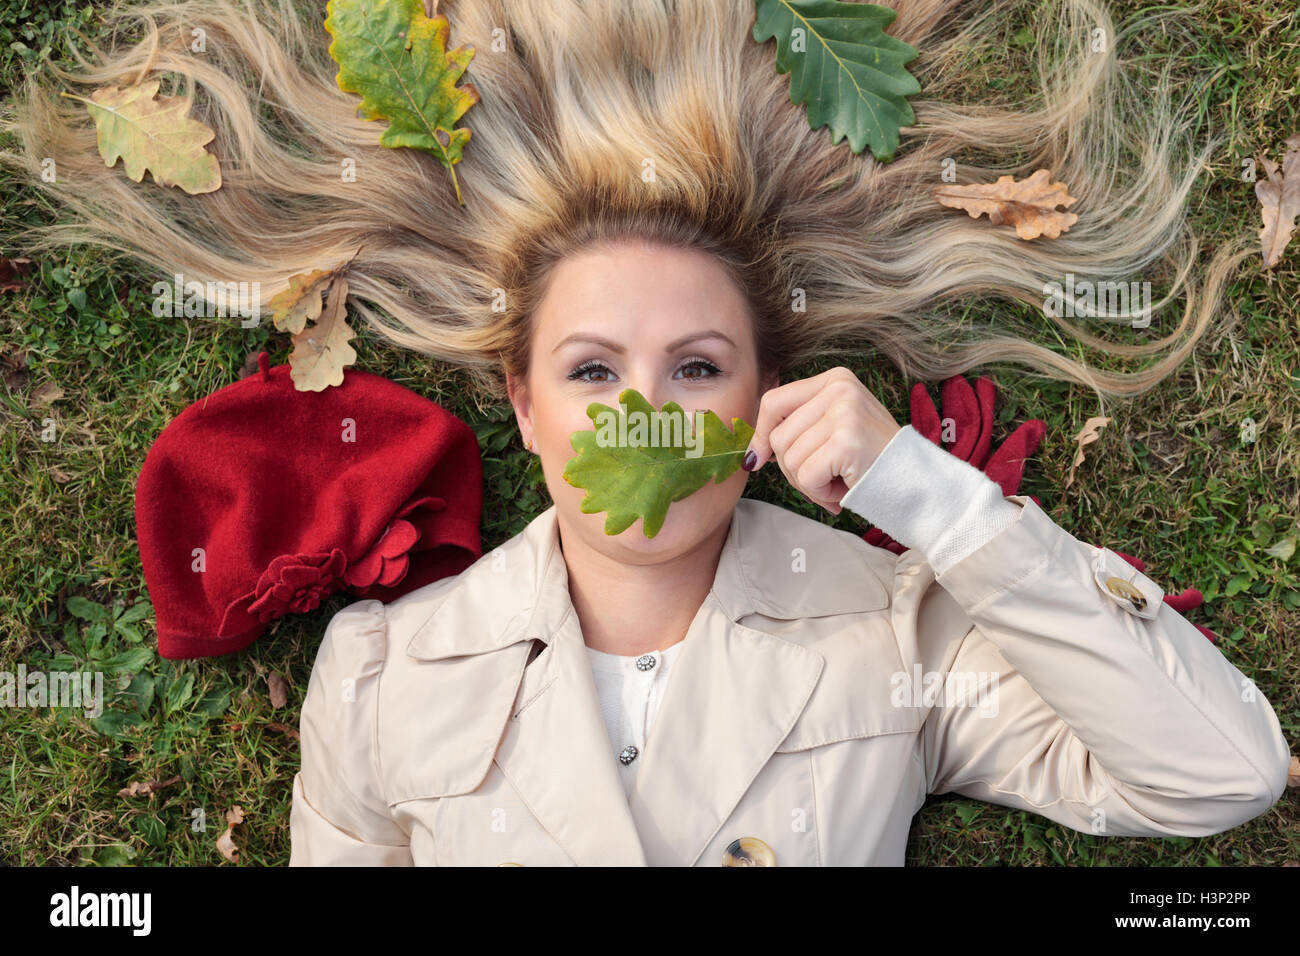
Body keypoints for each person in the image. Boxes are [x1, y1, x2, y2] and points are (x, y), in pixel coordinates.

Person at [3, 0, 1285, 865]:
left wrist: (930, 498)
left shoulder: (893, 626)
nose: (648, 410)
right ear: (523, 406)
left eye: (698, 364)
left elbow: (1217, 772)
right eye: (592, 368)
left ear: (765, 402)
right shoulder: (384, 673)